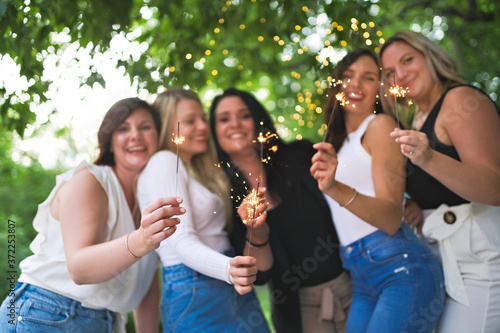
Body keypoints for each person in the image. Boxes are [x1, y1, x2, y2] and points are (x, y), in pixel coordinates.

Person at [0, 97, 185, 333]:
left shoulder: (151, 198)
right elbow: (79, 268)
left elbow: (146, 280)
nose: (135, 135)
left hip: (104, 323)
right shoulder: (90, 180)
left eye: (145, 126)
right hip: (45, 313)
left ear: (158, 136)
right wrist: (142, 240)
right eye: (123, 129)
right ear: (109, 141)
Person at [310, 49, 445, 332]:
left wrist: (334, 187)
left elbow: (390, 218)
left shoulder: (380, 125)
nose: (356, 85)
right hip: (360, 275)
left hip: (400, 268)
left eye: (368, 78)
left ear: (379, 89)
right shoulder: (339, 143)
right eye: (347, 76)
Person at [380, 30, 500, 333]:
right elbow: (445, 187)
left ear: (430, 56)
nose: (401, 74)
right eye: (391, 72)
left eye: (408, 60)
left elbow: (494, 186)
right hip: (445, 262)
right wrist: (417, 203)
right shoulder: (417, 120)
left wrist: (429, 159)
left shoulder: (461, 99)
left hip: (482, 261)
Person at [209, 88, 352, 333]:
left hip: (355, 287)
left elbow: (351, 192)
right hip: (299, 312)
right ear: (214, 131)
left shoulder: (300, 156)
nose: (235, 124)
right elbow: (261, 276)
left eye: (244, 115)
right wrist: (257, 231)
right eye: (224, 119)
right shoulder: (222, 198)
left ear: (257, 119)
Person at [136, 88, 271, 333]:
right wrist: (227, 269)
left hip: (224, 279)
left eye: (202, 118)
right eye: (190, 121)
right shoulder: (164, 161)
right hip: (195, 288)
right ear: (168, 126)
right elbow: (180, 239)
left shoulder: (195, 170)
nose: (202, 126)